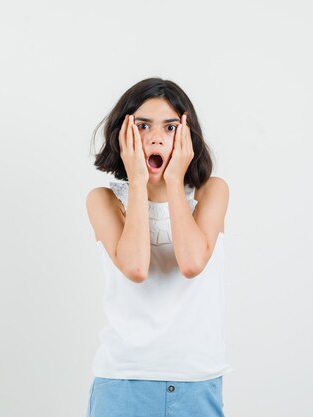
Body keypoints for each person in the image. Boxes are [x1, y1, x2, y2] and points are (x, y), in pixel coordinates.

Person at [85, 78, 232, 417]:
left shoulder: (211, 193)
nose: (155, 137)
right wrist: (137, 180)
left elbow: (192, 262)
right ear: (123, 134)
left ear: (186, 135)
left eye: (169, 127)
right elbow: (135, 267)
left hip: (196, 381)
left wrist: (173, 180)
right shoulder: (104, 200)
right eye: (142, 126)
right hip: (123, 383)